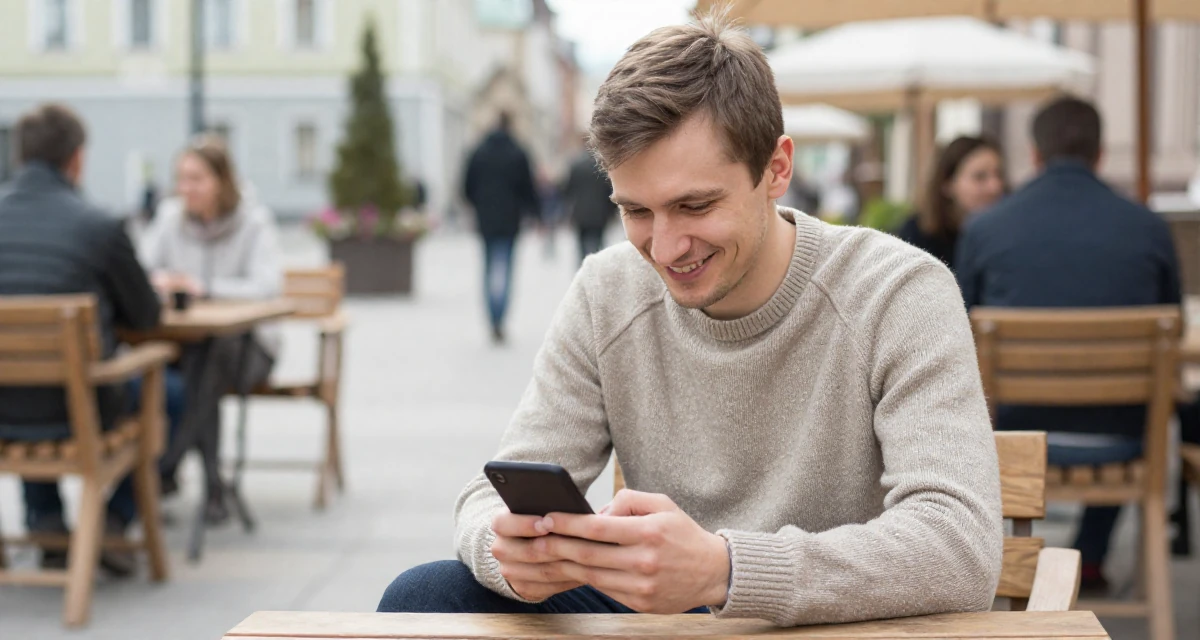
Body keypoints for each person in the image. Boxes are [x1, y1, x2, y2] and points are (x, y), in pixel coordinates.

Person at [378, 14, 1002, 626]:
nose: (666, 248)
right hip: (666, 616)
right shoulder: (607, 290)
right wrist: (511, 552)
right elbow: (492, 494)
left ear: (777, 169)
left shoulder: (899, 292)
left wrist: (724, 570)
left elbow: (959, 544)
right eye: (636, 211)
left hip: (830, 623)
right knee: (424, 595)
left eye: (695, 205)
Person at [955, 96, 1182, 594]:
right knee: (1126, 404)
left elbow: (957, 333)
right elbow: (1176, 326)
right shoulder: (1148, 228)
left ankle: (1012, 569)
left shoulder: (986, 228)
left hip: (1009, 436)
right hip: (1123, 443)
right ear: (1100, 154)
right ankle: (1091, 558)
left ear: (1035, 154)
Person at [0, 104, 162, 574]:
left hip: (3, 409)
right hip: (77, 412)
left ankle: (47, 524)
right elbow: (146, 318)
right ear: (76, 159)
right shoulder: (99, 225)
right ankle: (112, 521)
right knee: (168, 392)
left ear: (20, 155)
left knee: (27, 380)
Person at [138, 135, 283, 523]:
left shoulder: (253, 222)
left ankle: (166, 469)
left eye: (196, 179)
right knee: (198, 365)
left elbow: (267, 286)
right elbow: (141, 270)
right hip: (189, 344)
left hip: (250, 346)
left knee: (209, 362)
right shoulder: (170, 218)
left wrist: (205, 288)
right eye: (181, 178)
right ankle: (212, 486)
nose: (186, 188)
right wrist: (163, 281)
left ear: (221, 180)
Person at [463, 112, 540, 344]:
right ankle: (500, 318)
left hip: (486, 219)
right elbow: (528, 189)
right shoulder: (518, 152)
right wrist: (534, 213)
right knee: (506, 268)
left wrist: (478, 205)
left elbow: (466, 187)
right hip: (510, 220)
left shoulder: (478, 152)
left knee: (488, 268)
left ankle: (492, 318)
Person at [895, 136, 1006, 272]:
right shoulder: (917, 236)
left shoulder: (1009, 233)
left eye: (999, 175)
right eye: (980, 177)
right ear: (947, 184)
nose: (995, 187)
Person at [561, 146, 617, 264]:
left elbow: (567, 191)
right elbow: (610, 192)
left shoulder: (576, 166)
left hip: (581, 213)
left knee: (581, 246)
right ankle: (596, 267)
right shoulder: (603, 169)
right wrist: (612, 211)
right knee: (598, 245)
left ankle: (584, 266)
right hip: (600, 214)